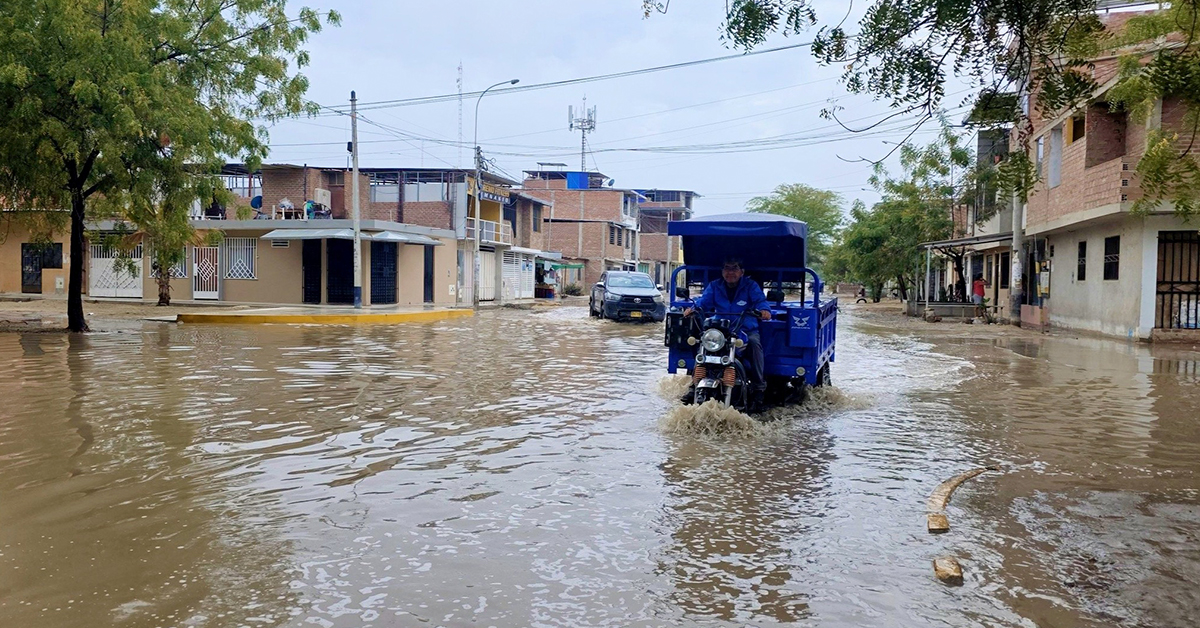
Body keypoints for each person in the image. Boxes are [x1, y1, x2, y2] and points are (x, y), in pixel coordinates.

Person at [683, 257, 771, 412]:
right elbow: (703, 302)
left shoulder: (750, 286)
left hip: (745, 329)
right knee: (701, 342)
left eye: (734, 268)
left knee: (754, 344)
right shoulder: (715, 286)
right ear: (722, 271)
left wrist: (764, 311)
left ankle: (759, 388)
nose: (730, 272)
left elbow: (760, 301)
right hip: (722, 329)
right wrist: (693, 309)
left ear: (741, 272)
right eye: (727, 268)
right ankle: (694, 384)